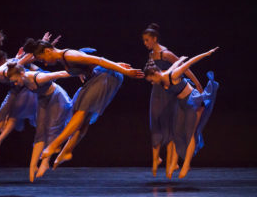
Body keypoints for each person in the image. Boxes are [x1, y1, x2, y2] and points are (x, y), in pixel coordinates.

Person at [21, 38, 145, 169]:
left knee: (82, 112)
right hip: (97, 78)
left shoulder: (69, 55)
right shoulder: (63, 59)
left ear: (47, 51)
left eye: (42, 59)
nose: (44, 64)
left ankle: (54, 145)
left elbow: (99, 60)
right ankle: (66, 151)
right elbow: (92, 64)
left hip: (106, 78)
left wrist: (124, 70)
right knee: (83, 119)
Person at [144, 47, 219, 178]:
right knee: (177, 132)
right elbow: (175, 64)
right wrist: (179, 60)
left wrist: (206, 54)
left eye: (151, 80)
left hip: (193, 102)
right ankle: (175, 164)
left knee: (190, 133)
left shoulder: (173, 75)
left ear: (155, 74)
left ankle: (186, 165)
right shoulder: (163, 76)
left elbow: (190, 63)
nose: (152, 83)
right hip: (181, 104)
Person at [142, 23, 203, 177]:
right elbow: (152, 75)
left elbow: (184, 67)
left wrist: (197, 83)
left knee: (173, 127)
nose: (145, 43)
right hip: (159, 91)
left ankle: (174, 163)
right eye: (144, 41)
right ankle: (162, 162)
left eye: (147, 40)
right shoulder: (151, 56)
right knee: (159, 124)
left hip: (171, 93)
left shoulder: (166, 54)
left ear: (155, 39)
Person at [4, 62, 74, 182]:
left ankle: (45, 162)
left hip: (57, 97)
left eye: (16, 80)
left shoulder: (39, 78)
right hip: (43, 98)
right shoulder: (22, 77)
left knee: (52, 129)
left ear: (22, 74)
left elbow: (61, 73)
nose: (15, 84)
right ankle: (32, 166)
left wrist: (81, 73)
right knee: (40, 131)